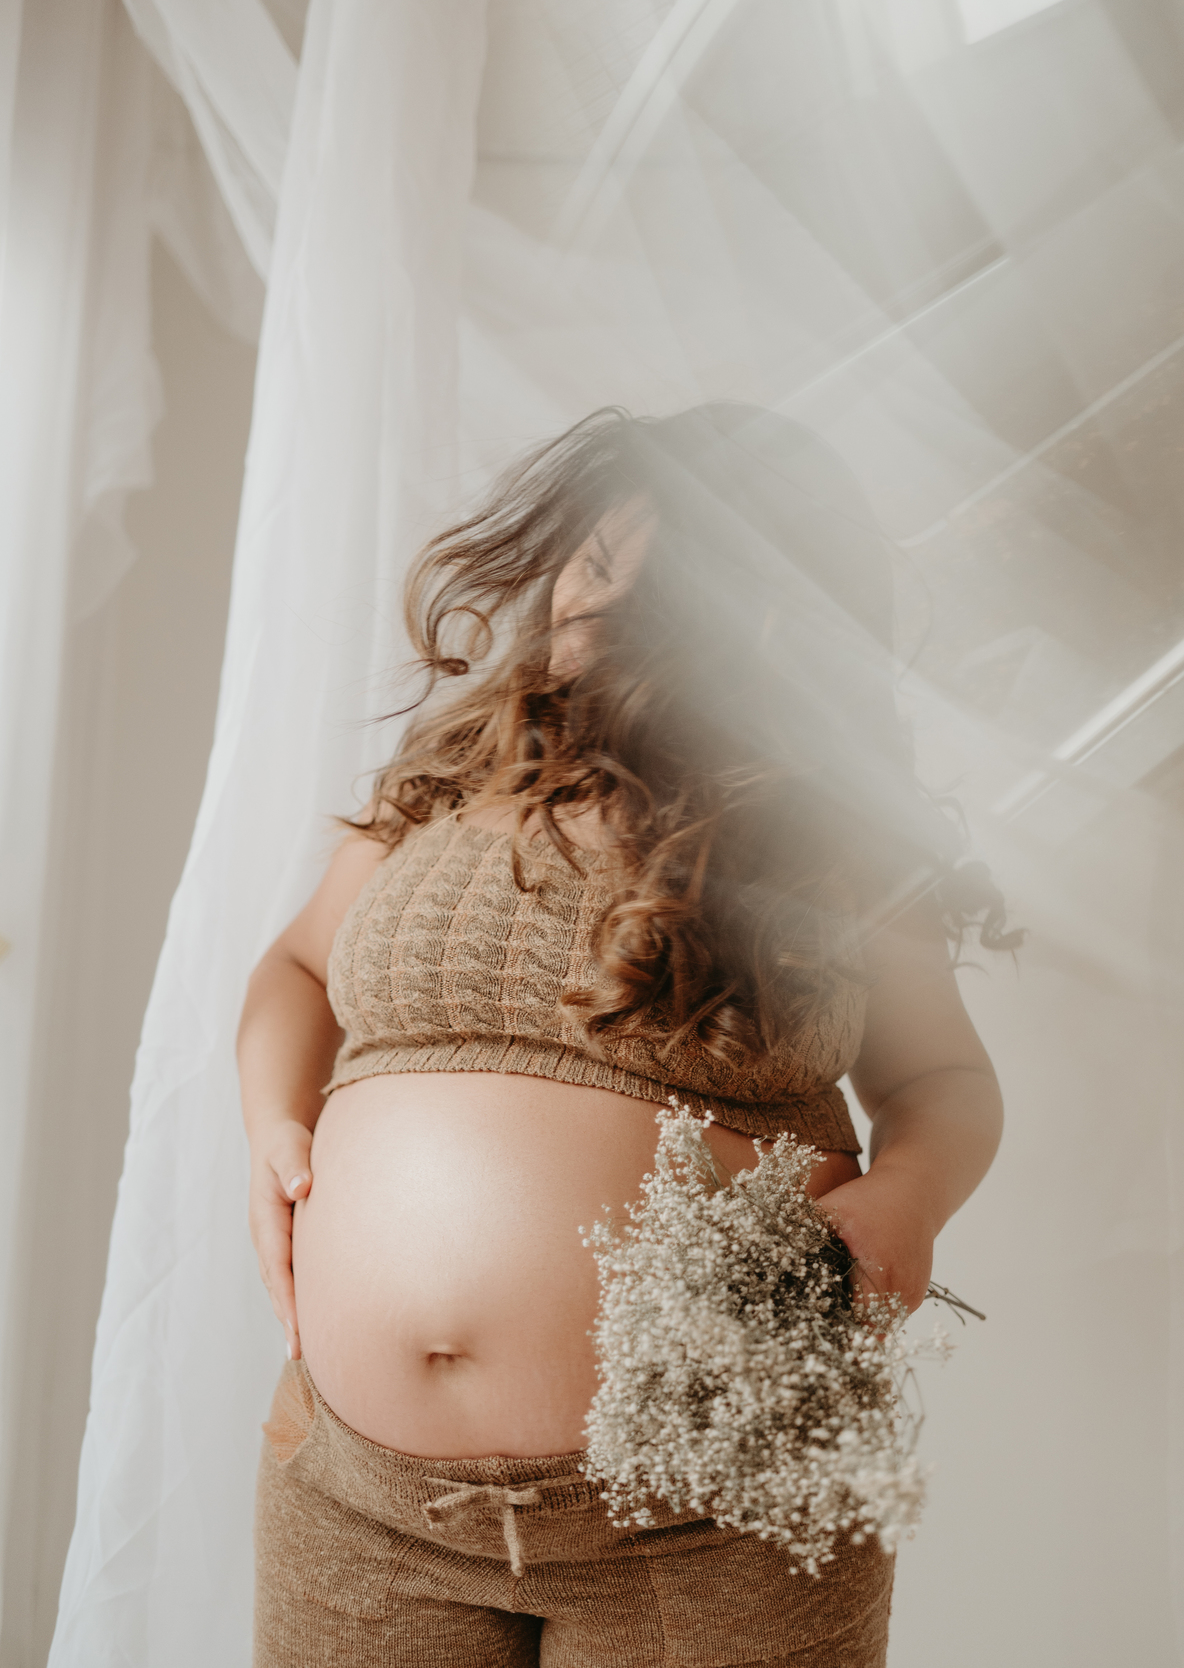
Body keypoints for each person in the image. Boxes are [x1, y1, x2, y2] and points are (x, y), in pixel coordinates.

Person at [237, 403, 1008, 1666]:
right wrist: (273, 1124)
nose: (596, 598)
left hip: (718, 1507)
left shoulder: (831, 844)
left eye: (656, 579)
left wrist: (908, 1197)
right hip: (360, 1502)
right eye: (593, 560)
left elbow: (944, 1078)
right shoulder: (448, 783)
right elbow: (296, 967)